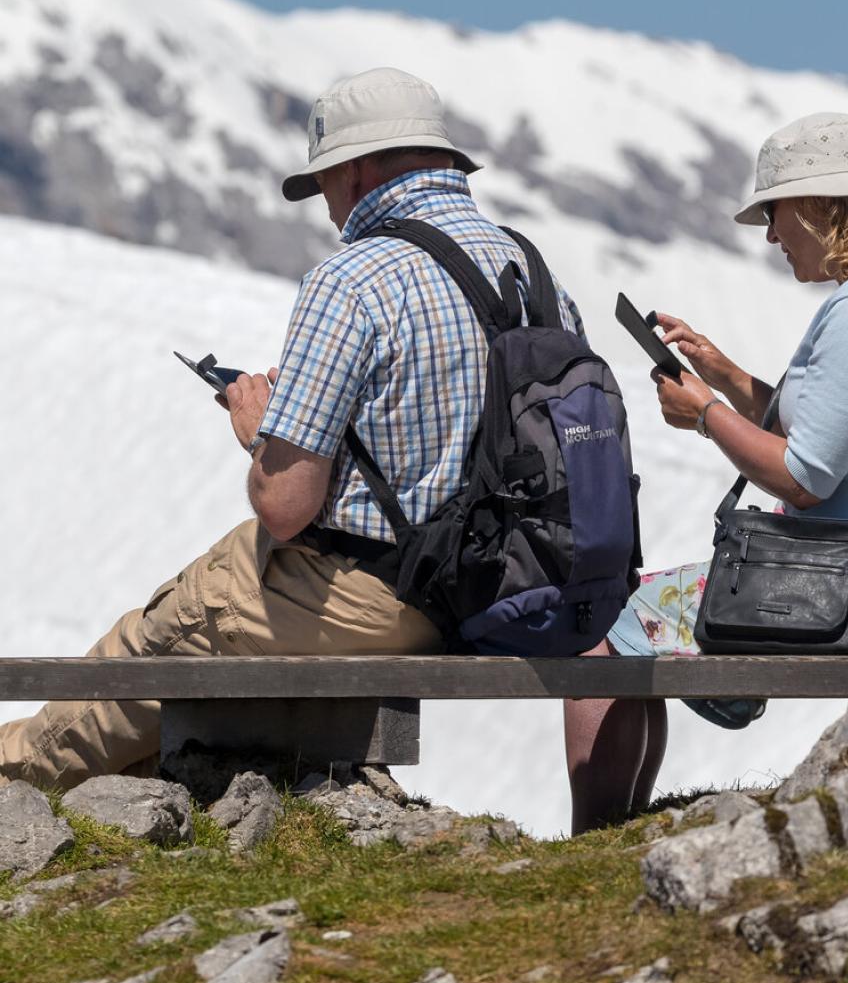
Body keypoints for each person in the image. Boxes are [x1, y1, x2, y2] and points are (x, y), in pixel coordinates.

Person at [0, 66, 583, 789]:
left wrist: (262, 433)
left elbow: (285, 506)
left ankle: (14, 782)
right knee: (223, 584)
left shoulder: (353, 279)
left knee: (172, 628)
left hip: (386, 601)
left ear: (358, 169)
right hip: (510, 590)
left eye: (327, 184)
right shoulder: (533, 269)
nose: (330, 212)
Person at [564, 111, 848, 832]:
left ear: (817, 204)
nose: (770, 237)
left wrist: (704, 413)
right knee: (637, 622)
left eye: (773, 215)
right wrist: (725, 375)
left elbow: (804, 478)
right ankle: (614, 827)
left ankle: (594, 834)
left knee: (604, 624)